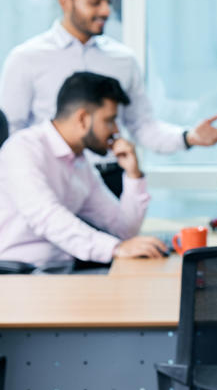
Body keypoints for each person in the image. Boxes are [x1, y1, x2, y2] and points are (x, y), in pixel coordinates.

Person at [0, 0, 217, 154]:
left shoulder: (123, 60)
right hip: (50, 179)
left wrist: (188, 137)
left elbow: (142, 126)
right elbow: (10, 131)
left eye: (108, 2)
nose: (105, 11)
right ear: (65, 1)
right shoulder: (26, 58)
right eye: (95, 2)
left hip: (110, 180)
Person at [0, 71, 167, 267]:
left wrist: (133, 175)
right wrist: (114, 248)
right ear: (83, 119)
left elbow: (124, 229)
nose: (116, 131)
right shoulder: (23, 148)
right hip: (20, 273)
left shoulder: (79, 162)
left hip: (62, 269)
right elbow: (47, 216)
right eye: (109, 120)